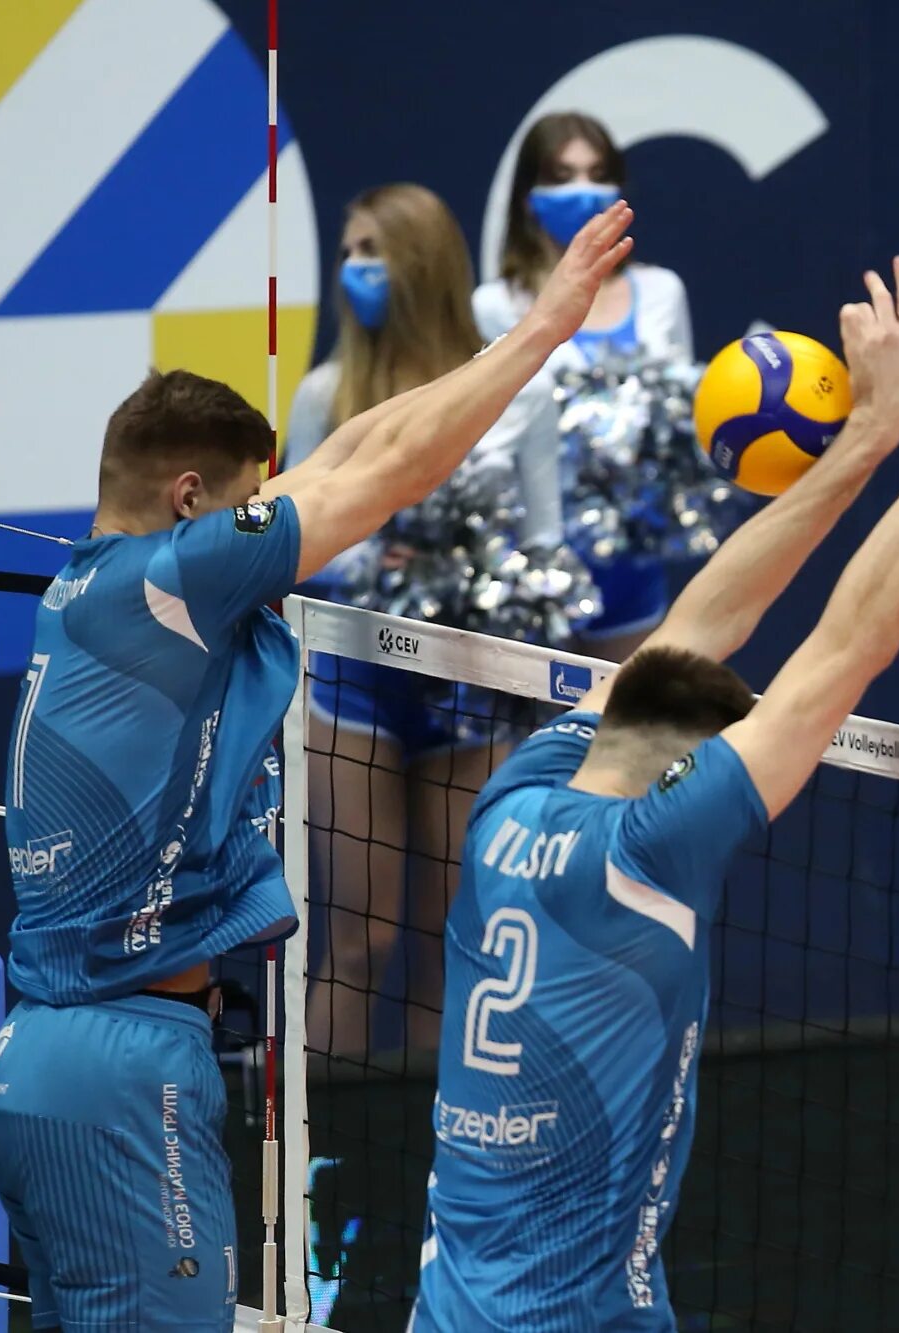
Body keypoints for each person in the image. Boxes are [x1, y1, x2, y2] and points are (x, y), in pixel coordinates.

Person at [0, 202, 636, 1333]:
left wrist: (500, 347)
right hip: (122, 1071)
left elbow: (353, 454)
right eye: (247, 507)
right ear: (192, 501)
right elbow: (385, 479)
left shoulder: (91, 590)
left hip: (46, 1052)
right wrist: (544, 335)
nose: (267, 533)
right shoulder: (169, 585)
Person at [410, 233, 899, 1332]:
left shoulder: (514, 794)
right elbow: (852, 642)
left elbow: (699, 625)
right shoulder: (653, 846)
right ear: (681, 773)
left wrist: (871, 433)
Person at [287, 182, 564, 1056]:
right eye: (347, 253)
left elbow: (548, 549)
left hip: (472, 693)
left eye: (372, 250)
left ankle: (434, 1172)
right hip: (353, 686)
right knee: (359, 939)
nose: (355, 269)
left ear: (421, 264)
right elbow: (290, 544)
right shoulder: (325, 393)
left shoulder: (517, 392)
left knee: (462, 941)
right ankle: (310, 1178)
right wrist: (374, 556)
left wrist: (481, 573)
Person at [476, 110, 693, 660]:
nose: (582, 190)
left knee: (628, 733)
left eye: (596, 173)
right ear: (528, 195)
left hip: (632, 570)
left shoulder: (663, 291)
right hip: (526, 569)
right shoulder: (495, 305)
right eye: (561, 175)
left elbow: (681, 429)